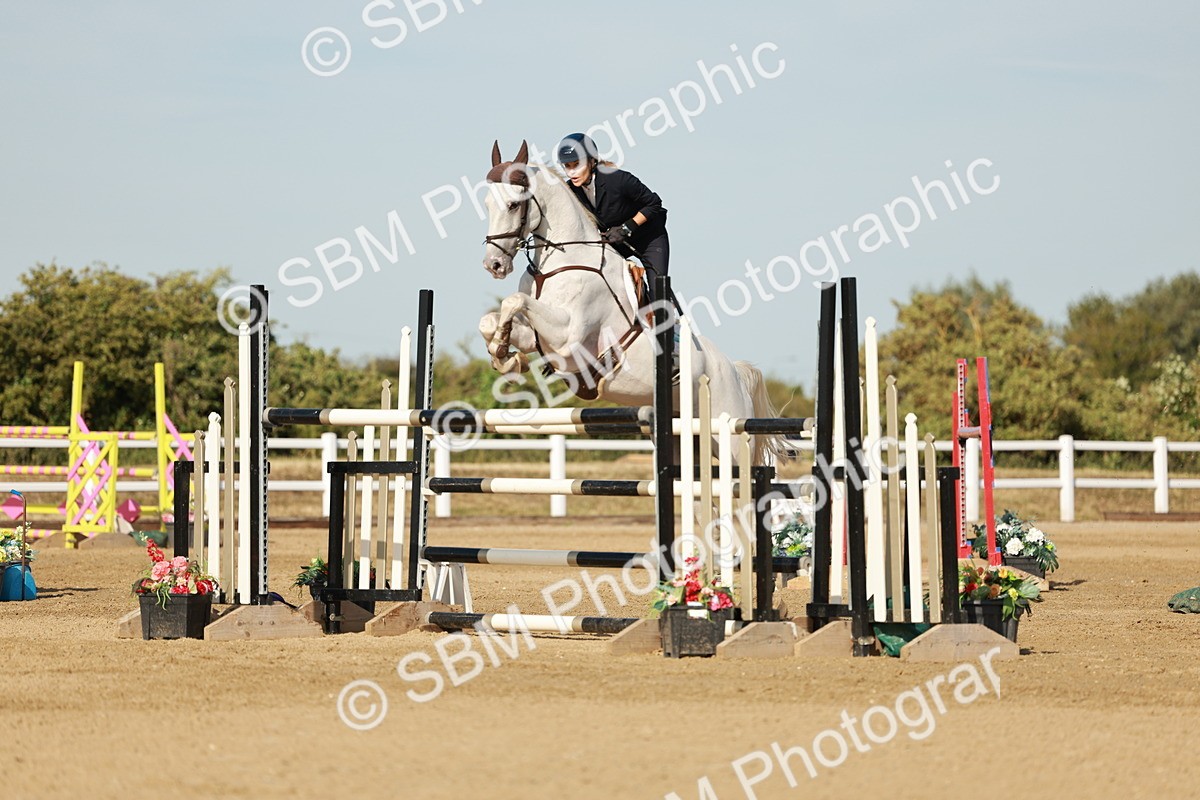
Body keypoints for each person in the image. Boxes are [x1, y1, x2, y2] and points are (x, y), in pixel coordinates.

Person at [556, 133, 670, 302]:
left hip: (649, 238)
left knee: (658, 289)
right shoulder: (571, 191)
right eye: (567, 166)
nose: (572, 172)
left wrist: (626, 228)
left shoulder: (617, 179)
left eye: (577, 165)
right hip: (615, 243)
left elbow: (654, 204)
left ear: (592, 161)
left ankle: (666, 325)